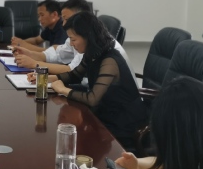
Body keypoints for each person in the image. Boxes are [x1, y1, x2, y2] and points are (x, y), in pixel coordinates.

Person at [49, 12, 146, 149]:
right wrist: (44, 78)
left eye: (73, 39)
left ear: (88, 37)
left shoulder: (110, 60)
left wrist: (63, 90)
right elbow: (74, 75)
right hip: (105, 114)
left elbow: (92, 99)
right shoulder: (93, 53)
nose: (71, 44)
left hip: (123, 124)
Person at [17, 0, 135, 79]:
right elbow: (58, 54)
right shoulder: (79, 36)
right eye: (63, 20)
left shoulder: (92, 40)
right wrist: (30, 54)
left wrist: (35, 64)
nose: (64, 24)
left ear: (82, 18)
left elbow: (72, 70)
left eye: (67, 19)